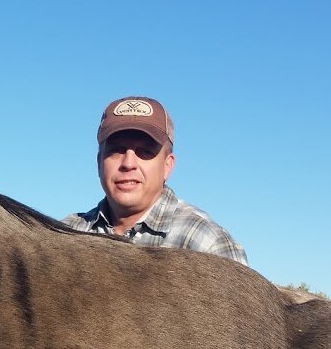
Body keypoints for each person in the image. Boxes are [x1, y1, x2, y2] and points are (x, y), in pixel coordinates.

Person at [62, 96, 247, 263]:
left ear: (168, 166)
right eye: (116, 150)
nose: (128, 163)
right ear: (99, 162)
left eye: (145, 152)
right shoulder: (66, 234)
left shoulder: (208, 244)